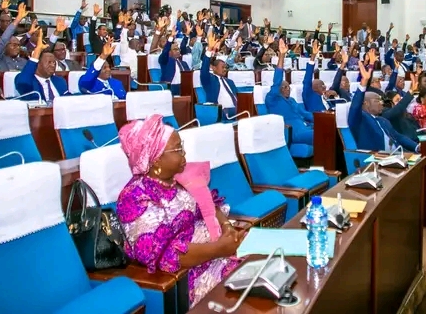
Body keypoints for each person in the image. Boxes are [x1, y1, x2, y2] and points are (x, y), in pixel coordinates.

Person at [116, 116, 244, 307]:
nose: (184, 153)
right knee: (249, 295)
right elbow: (164, 256)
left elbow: (208, 205)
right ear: (157, 159)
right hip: (189, 276)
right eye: (178, 149)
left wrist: (226, 227)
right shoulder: (134, 197)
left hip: (218, 250)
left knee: (268, 267)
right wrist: (220, 249)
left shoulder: (177, 179)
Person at [348, 63, 419, 153]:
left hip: (398, 154)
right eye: (377, 101)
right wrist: (364, 83)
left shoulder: (383, 120)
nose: (381, 103)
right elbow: (355, 107)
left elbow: (399, 137)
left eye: (381, 100)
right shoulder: (360, 120)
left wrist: (416, 147)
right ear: (365, 103)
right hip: (378, 159)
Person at [265, 39, 314, 145]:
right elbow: (277, 81)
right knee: (325, 134)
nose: (288, 89)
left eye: (288, 87)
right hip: (293, 132)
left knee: (329, 130)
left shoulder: (292, 100)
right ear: (279, 89)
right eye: (284, 87)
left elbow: (305, 114)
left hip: (306, 127)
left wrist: (320, 121)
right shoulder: (272, 99)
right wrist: (282, 56)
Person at [14, 30, 70, 101]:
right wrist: (37, 51)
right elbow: (23, 83)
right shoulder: (29, 81)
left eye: (54, 62)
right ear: (37, 64)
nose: (53, 65)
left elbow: (68, 100)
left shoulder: (60, 81)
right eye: (49, 62)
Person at [201, 32, 238, 119]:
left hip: (238, 111)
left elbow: (238, 96)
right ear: (213, 68)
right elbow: (204, 70)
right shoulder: (209, 80)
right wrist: (209, 50)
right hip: (221, 112)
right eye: (222, 67)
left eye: (226, 67)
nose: (225, 69)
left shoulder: (230, 82)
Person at [0, 2, 29, 71]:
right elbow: (3, 40)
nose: (17, 47)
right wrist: (18, 19)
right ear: (5, 46)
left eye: (18, 45)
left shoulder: (24, 62)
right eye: (14, 45)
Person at [302, 40, 336, 112]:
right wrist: (313, 56)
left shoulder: (326, 97)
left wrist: (336, 97)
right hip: (319, 120)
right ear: (314, 88)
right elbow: (307, 80)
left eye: (324, 85)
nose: (325, 87)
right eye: (321, 85)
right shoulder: (309, 95)